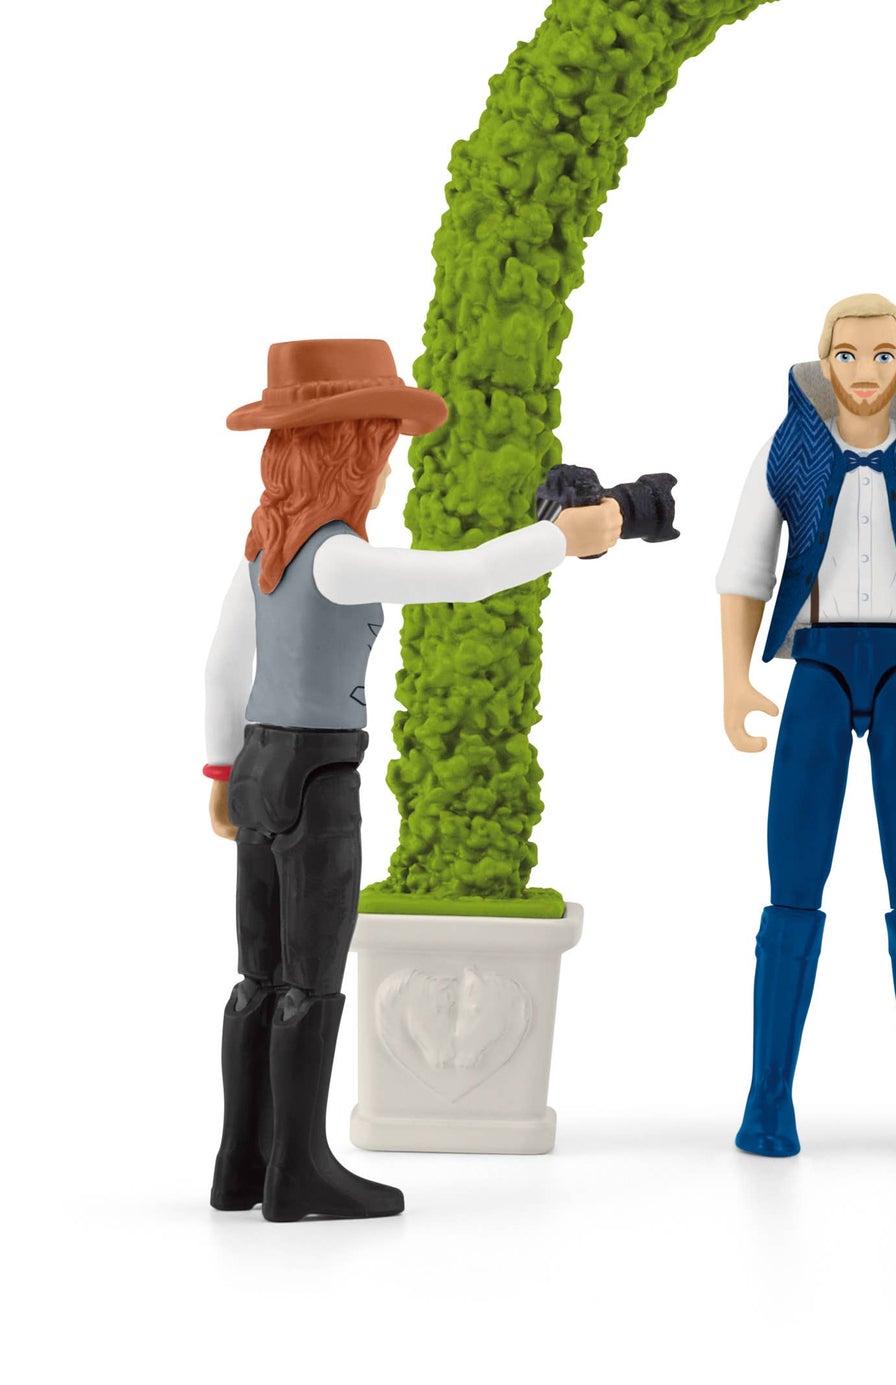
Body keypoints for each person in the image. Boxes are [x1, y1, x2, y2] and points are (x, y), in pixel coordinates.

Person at [205, 339, 625, 1221]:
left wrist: (220, 772)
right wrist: (562, 537)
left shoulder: (261, 551)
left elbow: (220, 667)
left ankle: (243, 1160)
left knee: (257, 974)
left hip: (257, 769)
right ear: (349, 452)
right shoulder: (333, 554)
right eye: (380, 450)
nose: (387, 469)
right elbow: (465, 579)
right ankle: (298, 1169)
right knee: (309, 976)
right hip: (318, 775)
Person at [716, 293, 896, 1160]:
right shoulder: (789, 446)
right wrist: (734, 679)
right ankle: (768, 1098)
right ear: (825, 357)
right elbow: (745, 569)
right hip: (818, 665)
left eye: (884, 355)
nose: (867, 371)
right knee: (793, 879)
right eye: (849, 354)